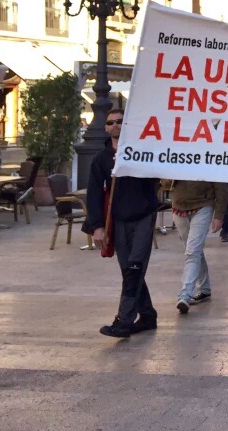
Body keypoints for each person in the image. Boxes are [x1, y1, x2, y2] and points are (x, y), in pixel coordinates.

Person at [83, 109, 159, 338]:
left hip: (144, 214)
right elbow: (94, 194)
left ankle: (124, 321)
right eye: (111, 122)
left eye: (120, 121)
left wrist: (130, 165)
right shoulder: (101, 158)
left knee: (135, 266)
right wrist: (97, 226)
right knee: (129, 270)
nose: (115, 125)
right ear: (105, 127)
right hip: (119, 219)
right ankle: (147, 315)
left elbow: (156, 176)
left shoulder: (142, 150)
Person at [160, 176, 228, 314]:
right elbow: (165, 184)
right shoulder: (176, 156)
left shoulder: (209, 156)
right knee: (193, 251)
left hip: (203, 206)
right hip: (179, 208)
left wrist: (219, 215)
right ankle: (204, 288)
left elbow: (221, 188)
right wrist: (171, 176)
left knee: (192, 252)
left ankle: (185, 294)